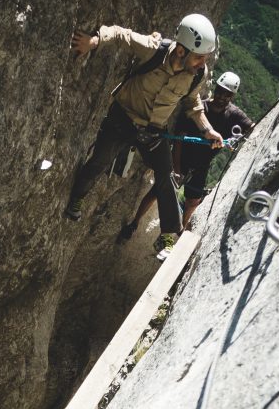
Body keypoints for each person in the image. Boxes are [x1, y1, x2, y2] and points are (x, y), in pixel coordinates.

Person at [65, 14, 224, 259]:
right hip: (122, 119)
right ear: (181, 51)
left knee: (166, 175)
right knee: (100, 161)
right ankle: (77, 197)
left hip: (153, 131)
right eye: (200, 56)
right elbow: (121, 34)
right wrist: (93, 42)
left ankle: (168, 236)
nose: (203, 63)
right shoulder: (154, 50)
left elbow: (192, 103)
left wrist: (207, 129)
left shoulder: (195, 75)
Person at [119, 70, 255, 238]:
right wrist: (176, 168)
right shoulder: (198, 110)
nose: (221, 97)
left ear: (231, 97)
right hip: (181, 159)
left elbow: (252, 127)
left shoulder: (234, 115)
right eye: (220, 91)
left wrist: (237, 140)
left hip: (201, 165)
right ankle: (134, 223)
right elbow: (178, 140)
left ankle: (179, 231)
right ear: (216, 88)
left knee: (193, 201)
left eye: (226, 95)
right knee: (157, 192)